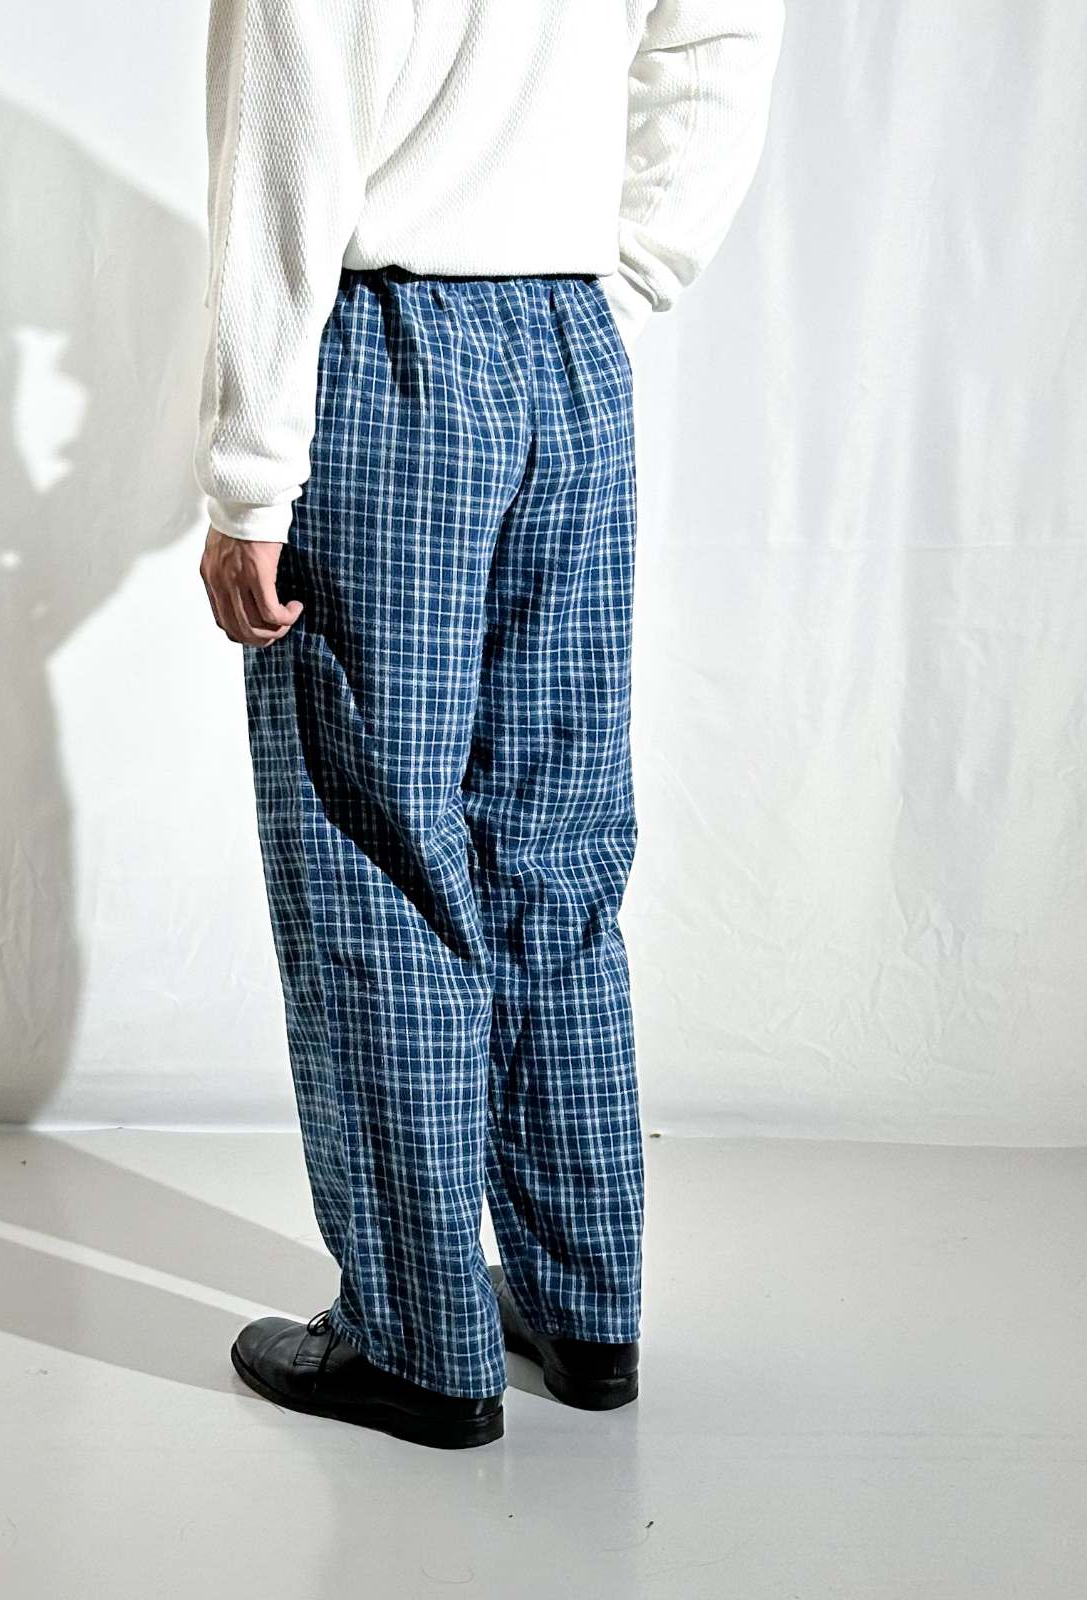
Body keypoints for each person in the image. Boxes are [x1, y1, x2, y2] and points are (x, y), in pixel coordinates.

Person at [195, 0, 785, 1450]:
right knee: (553, 854)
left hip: (395, 349)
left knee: (378, 853)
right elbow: (722, 32)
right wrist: (629, 267)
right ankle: (586, 1306)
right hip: (570, 352)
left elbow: (288, 142)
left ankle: (419, 1341)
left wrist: (251, 477)